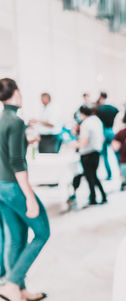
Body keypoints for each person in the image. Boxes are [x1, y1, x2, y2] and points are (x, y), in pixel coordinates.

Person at [0, 78, 50, 301]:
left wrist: (26, 142)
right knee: (42, 232)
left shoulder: (2, 120)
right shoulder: (16, 122)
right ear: (17, 93)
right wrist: (29, 196)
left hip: (1, 186)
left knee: (16, 238)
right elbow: (17, 162)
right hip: (13, 185)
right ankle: (11, 284)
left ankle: (19, 289)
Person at [72, 105, 107, 206]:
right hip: (96, 151)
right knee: (94, 176)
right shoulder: (97, 120)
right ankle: (102, 196)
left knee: (90, 177)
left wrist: (74, 145)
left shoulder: (86, 124)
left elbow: (84, 141)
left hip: (87, 153)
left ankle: (93, 198)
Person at [95, 92, 118, 180]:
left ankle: (109, 174)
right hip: (111, 130)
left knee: (105, 155)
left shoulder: (99, 109)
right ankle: (121, 173)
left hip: (103, 132)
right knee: (116, 153)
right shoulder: (113, 108)